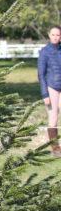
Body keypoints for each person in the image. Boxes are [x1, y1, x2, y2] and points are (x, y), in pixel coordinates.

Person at [37, 26, 61, 157]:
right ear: (49, 35)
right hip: (52, 87)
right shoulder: (44, 52)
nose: (55, 37)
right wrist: (45, 94)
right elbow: (41, 74)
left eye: (58, 35)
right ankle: (56, 149)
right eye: (53, 34)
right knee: (53, 117)